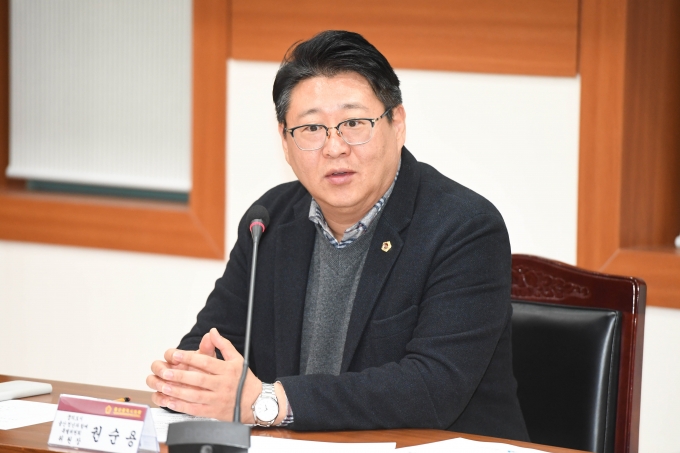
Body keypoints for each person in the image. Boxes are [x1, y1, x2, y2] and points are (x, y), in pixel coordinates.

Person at [147, 30, 529, 441]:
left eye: (354, 123)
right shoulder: (269, 221)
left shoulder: (464, 227)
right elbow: (210, 344)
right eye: (312, 128)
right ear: (285, 142)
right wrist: (192, 381)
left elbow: (433, 387)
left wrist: (268, 402)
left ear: (397, 124)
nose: (334, 147)